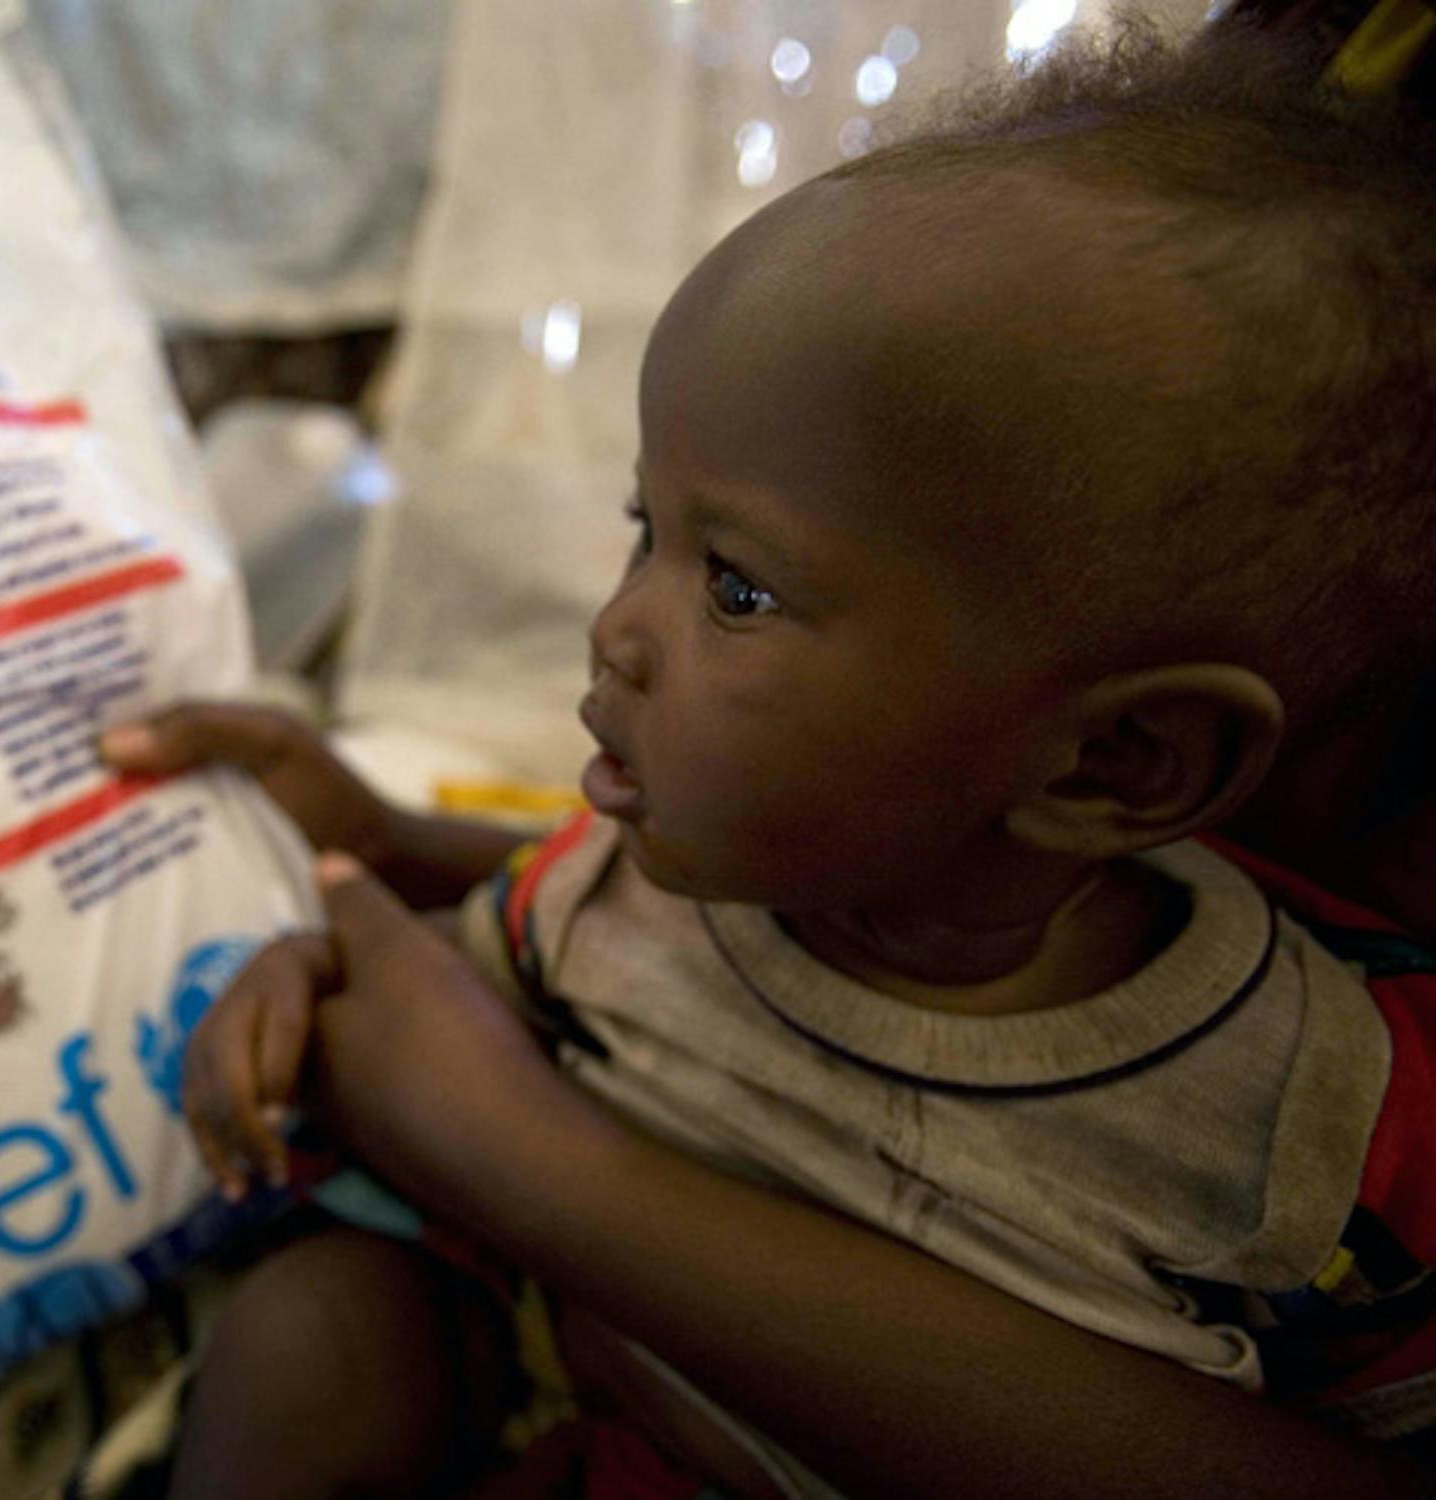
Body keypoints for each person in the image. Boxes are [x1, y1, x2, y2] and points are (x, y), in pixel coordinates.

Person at [99, 10, 1436, 1499]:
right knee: (313, 1336)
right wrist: (346, 922)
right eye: (640, 533)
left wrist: (490, 1130)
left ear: (1111, 763)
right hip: (550, 1398)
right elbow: (467, 975)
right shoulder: (650, 883)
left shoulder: (1319, 1128)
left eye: (734, 584)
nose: (612, 630)